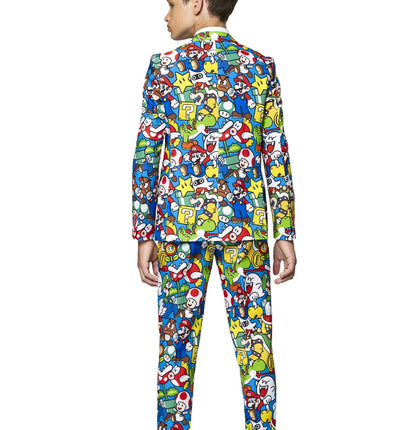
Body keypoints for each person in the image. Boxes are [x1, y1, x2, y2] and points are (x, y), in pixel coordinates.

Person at [131, 0, 297, 428]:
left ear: (197, 3)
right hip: (247, 229)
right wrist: (284, 231)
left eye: (171, 4)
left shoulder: (164, 68)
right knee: (256, 351)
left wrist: (144, 230)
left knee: (175, 356)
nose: (166, 15)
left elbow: (147, 156)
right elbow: (275, 154)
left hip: (178, 228)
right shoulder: (260, 68)